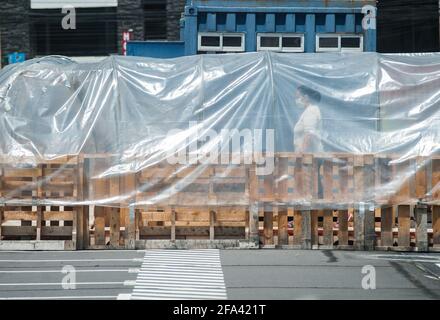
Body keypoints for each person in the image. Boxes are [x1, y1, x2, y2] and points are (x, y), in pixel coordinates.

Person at [293, 85, 324, 153]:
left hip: (309, 157)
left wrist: (302, 152)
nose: (296, 100)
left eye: (298, 97)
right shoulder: (308, 111)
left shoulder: (311, 110)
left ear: (306, 97)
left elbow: (309, 133)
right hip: (307, 156)